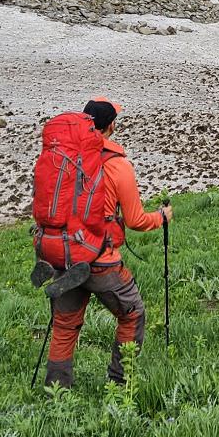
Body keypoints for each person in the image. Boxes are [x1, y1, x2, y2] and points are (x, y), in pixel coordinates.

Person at [42, 97, 170, 387]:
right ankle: (120, 382)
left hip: (66, 256)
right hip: (101, 260)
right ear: (111, 126)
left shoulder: (65, 157)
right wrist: (161, 217)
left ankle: (57, 391)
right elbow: (136, 220)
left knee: (64, 326)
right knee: (132, 314)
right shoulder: (117, 165)